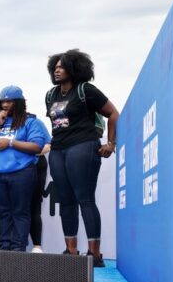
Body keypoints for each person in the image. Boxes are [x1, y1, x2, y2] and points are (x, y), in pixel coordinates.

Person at [46, 49, 119, 267]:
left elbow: (113, 114)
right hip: (58, 149)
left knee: (84, 199)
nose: (57, 70)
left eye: (62, 66)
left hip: (83, 145)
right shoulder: (51, 94)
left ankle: (94, 255)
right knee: (66, 201)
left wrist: (111, 143)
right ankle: (71, 251)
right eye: (55, 67)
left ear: (75, 68)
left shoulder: (85, 90)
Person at [0, 86, 50, 252]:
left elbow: (36, 146)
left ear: (19, 103)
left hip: (22, 173)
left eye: (10, 101)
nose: (6, 104)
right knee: (4, 212)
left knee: (20, 212)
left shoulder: (32, 122)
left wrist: (10, 142)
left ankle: (19, 247)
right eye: (3, 101)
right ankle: (4, 246)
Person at [0, 143, 50, 253]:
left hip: (35, 165)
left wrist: (19, 148)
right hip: (10, 165)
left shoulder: (38, 125)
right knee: (6, 208)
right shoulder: (4, 125)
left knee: (34, 205)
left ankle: (36, 246)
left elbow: (47, 147)